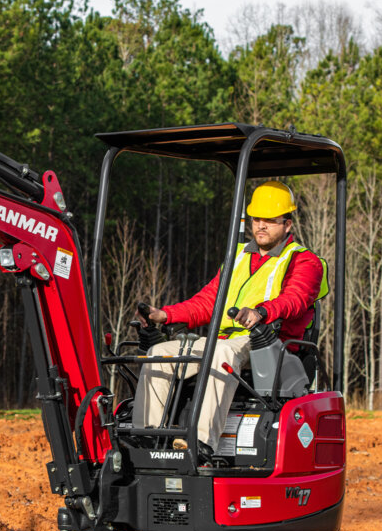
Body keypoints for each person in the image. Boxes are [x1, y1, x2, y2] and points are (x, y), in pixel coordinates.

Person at [133, 180, 328, 458]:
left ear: (287, 224)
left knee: (221, 351)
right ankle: (148, 439)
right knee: (158, 353)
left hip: (269, 345)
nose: (261, 226)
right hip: (227, 341)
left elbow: (294, 299)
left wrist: (261, 312)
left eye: (270, 220)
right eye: (256, 219)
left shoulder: (304, 261)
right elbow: (207, 302)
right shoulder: (237, 256)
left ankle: (200, 443)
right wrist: (165, 315)